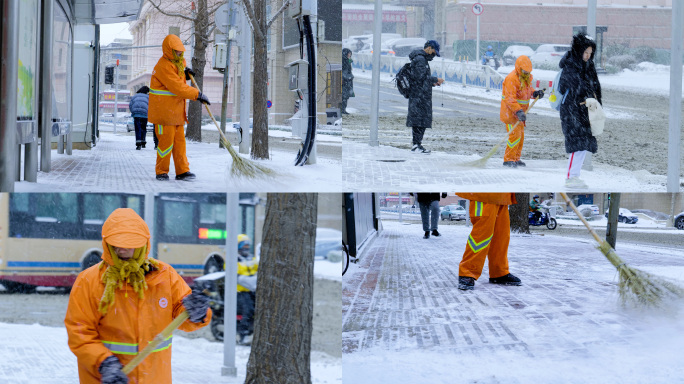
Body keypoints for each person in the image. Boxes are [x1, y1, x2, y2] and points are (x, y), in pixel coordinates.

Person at [65, 208, 211, 384]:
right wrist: (103, 362)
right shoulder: (89, 281)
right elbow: (79, 332)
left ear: (144, 245)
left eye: (130, 245)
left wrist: (199, 313)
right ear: (107, 245)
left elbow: (183, 315)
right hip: (106, 378)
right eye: (116, 244)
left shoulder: (165, 275)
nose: (122, 250)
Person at [148, 34, 211, 182]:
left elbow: (179, 79)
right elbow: (177, 87)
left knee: (179, 144)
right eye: (176, 51)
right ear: (169, 50)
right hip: (164, 113)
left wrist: (185, 73)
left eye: (180, 50)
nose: (179, 53)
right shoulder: (162, 65)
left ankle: (182, 171)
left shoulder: (178, 63)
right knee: (165, 144)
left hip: (176, 112)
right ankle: (161, 171)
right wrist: (198, 95)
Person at [559, 32, 602, 189]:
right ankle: (571, 176)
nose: (588, 56)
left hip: (586, 110)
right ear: (579, 50)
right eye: (585, 52)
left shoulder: (588, 65)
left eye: (590, 53)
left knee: (583, 144)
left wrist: (597, 103)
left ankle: (575, 175)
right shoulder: (570, 65)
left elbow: (595, 84)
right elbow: (566, 86)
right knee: (576, 143)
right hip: (572, 111)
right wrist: (582, 94)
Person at [456, 193, 522, 290]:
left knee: (500, 236)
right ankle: (467, 272)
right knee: (481, 234)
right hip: (483, 194)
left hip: (502, 196)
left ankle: (499, 272)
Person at [499, 55, 545, 168]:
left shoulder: (526, 78)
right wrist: (518, 111)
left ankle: (515, 158)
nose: (527, 74)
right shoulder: (511, 79)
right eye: (525, 72)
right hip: (511, 114)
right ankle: (508, 159)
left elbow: (527, 91)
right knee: (514, 136)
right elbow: (510, 99)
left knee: (520, 137)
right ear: (519, 69)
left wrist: (535, 94)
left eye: (528, 72)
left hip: (520, 114)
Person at [406, 40, 445, 154]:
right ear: (428, 48)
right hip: (419, 96)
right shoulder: (420, 60)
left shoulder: (420, 59)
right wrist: (435, 79)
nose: (433, 54)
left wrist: (432, 83)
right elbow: (420, 77)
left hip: (420, 95)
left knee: (421, 120)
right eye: (433, 51)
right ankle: (416, 145)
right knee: (419, 120)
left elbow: (421, 78)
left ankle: (417, 144)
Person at [236, 234, 258, 345]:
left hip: (253, 290)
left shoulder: (252, 259)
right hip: (240, 292)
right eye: (244, 245)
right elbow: (237, 277)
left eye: (247, 245)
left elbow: (259, 268)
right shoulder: (233, 260)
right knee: (247, 310)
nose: (246, 248)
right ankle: (243, 335)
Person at [129, 86, 150, 150]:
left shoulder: (135, 96)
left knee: (138, 128)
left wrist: (133, 112)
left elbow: (130, 105)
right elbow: (150, 106)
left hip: (136, 114)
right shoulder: (148, 97)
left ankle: (138, 144)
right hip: (144, 115)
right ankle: (143, 142)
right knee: (143, 128)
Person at [341, 48, 354, 115]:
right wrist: (349, 77)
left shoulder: (347, 60)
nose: (350, 55)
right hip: (345, 81)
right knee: (344, 96)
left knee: (345, 96)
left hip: (347, 81)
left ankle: (343, 109)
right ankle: (343, 109)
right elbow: (345, 72)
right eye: (349, 54)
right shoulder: (345, 61)